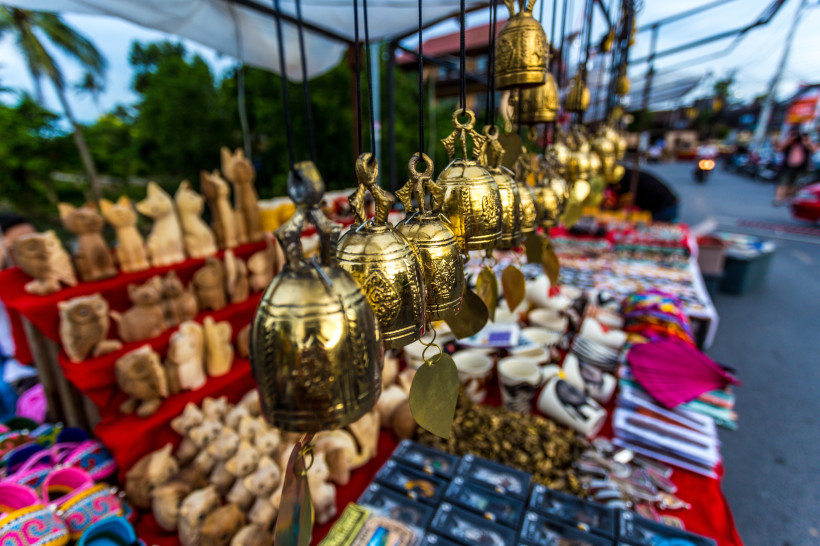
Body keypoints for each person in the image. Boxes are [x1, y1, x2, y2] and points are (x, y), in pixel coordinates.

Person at [774, 127, 815, 205]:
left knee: (795, 184)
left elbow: (813, 150)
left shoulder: (805, 143)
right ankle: (778, 198)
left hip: (801, 166)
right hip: (787, 165)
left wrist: (806, 141)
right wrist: (790, 139)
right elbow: (780, 149)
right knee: (783, 182)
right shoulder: (789, 142)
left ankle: (789, 198)